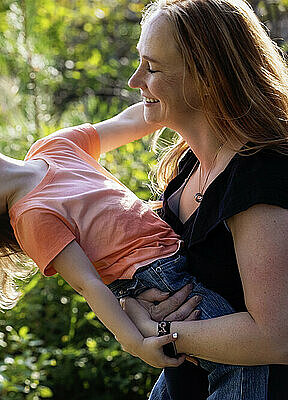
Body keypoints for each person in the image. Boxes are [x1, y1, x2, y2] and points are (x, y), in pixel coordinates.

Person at [0, 101, 268, 398]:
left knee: (188, 376)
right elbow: (89, 285)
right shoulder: (32, 215)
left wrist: (172, 101)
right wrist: (137, 343)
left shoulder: (52, 147)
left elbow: (129, 120)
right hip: (157, 279)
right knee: (244, 357)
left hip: (173, 256)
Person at [99, 0, 288, 398]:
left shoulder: (260, 176)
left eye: (152, 68)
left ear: (207, 77)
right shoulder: (190, 164)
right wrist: (131, 307)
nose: (135, 81)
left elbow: (277, 337)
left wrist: (159, 334)